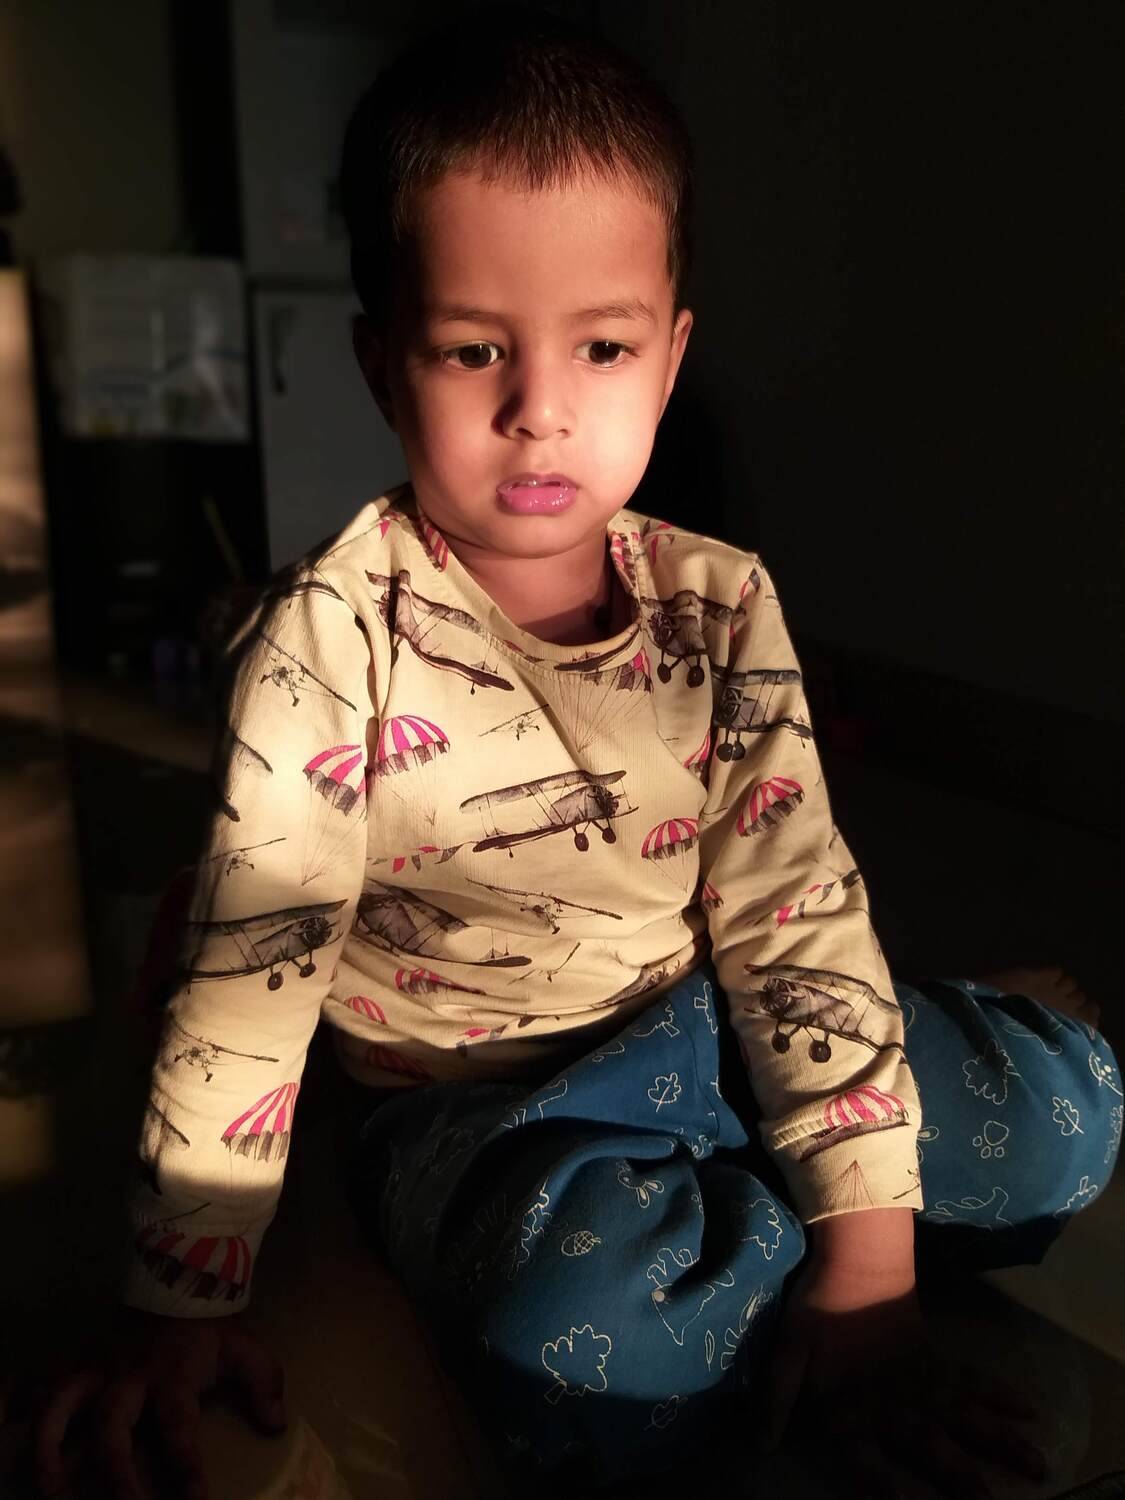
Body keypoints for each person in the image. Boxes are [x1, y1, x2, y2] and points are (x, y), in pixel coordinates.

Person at [25, 6, 1120, 1498]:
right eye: (473, 349)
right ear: (381, 366)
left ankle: (797, 1210)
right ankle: (765, 1221)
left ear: (668, 360)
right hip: (484, 1115)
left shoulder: (721, 606)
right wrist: (179, 1300)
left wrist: (869, 1277)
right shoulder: (328, 642)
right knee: (583, 1312)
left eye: (601, 347)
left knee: (1070, 1111)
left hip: (709, 1022)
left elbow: (792, 914)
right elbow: (250, 976)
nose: (539, 410)